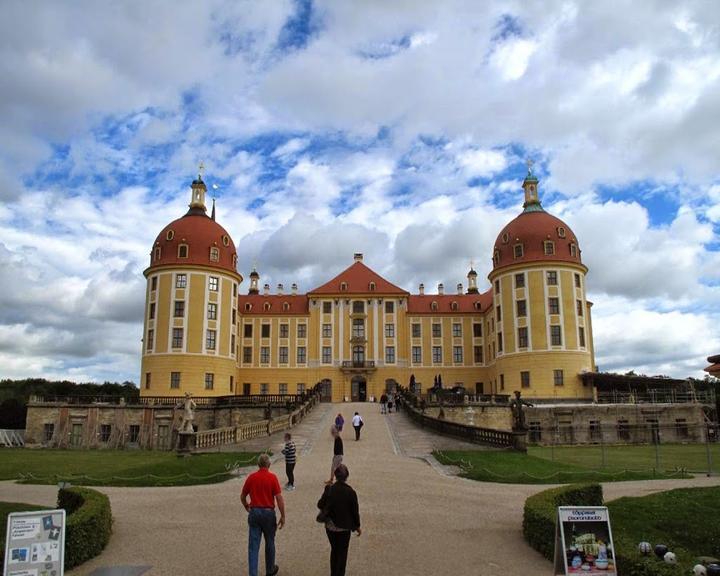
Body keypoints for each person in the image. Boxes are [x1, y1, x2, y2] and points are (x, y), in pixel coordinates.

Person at [241, 453, 285, 576]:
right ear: (269, 465)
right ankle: (270, 569)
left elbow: (243, 496)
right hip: (268, 513)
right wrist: (283, 515)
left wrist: (246, 506)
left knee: (253, 546)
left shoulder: (251, 477)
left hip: (254, 512)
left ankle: (253, 573)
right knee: (270, 542)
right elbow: (279, 498)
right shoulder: (272, 478)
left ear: (258, 464)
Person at [317, 464, 361, 576]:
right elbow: (355, 511)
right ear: (347, 476)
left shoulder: (329, 489)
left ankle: (333, 573)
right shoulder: (351, 492)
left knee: (335, 550)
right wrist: (357, 526)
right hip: (344, 527)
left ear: (336, 476)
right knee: (343, 552)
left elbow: (320, 504)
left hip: (331, 526)